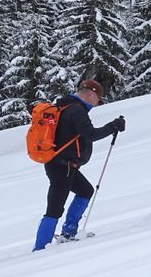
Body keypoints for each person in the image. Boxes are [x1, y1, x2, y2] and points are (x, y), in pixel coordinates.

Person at [33, 79, 125, 251]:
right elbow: (90, 134)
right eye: (98, 100)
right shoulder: (76, 111)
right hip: (62, 166)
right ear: (90, 94)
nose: (97, 104)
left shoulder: (66, 106)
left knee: (85, 191)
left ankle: (68, 233)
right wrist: (113, 127)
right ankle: (40, 248)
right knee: (54, 208)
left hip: (62, 164)